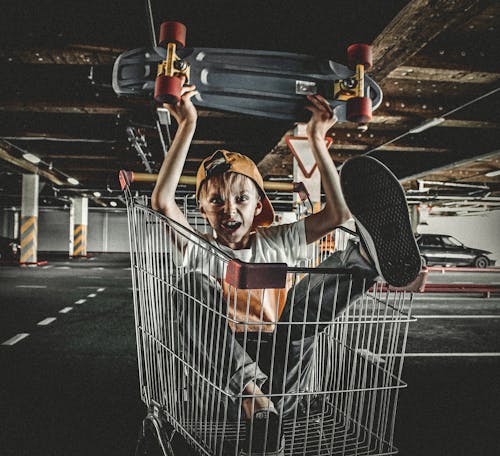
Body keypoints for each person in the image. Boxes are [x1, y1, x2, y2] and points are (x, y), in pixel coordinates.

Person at [151, 82, 422, 455]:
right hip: (222, 376)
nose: (230, 209)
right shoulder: (199, 248)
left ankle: (366, 261)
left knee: (298, 311)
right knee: (191, 285)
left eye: (241, 199)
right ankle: (253, 400)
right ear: (202, 210)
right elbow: (163, 201)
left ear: (258, 204)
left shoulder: (275, 240)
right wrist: (187, 124)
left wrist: (316, 136)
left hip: (282, 365)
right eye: (216, 200)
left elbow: (337, 214)